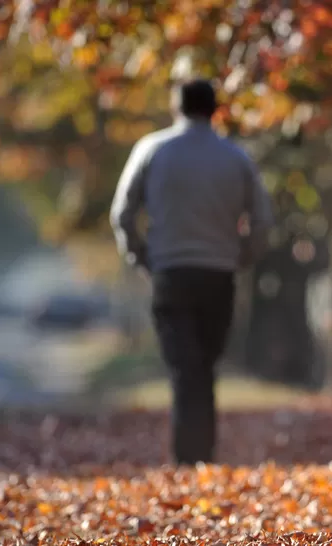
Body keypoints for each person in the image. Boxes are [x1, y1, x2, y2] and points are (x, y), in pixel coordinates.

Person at [110, 78, 274, 465]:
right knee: (203, 365)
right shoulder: (237, 158)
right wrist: (241, 257)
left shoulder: (152, 149)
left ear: (176, 107)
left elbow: (123, 213)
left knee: (186, 368)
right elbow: (263, 221)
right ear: (215, 110)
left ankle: (189, 460)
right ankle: (200, 458)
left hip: (171, 272)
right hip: (218, 274)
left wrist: (142, 256)